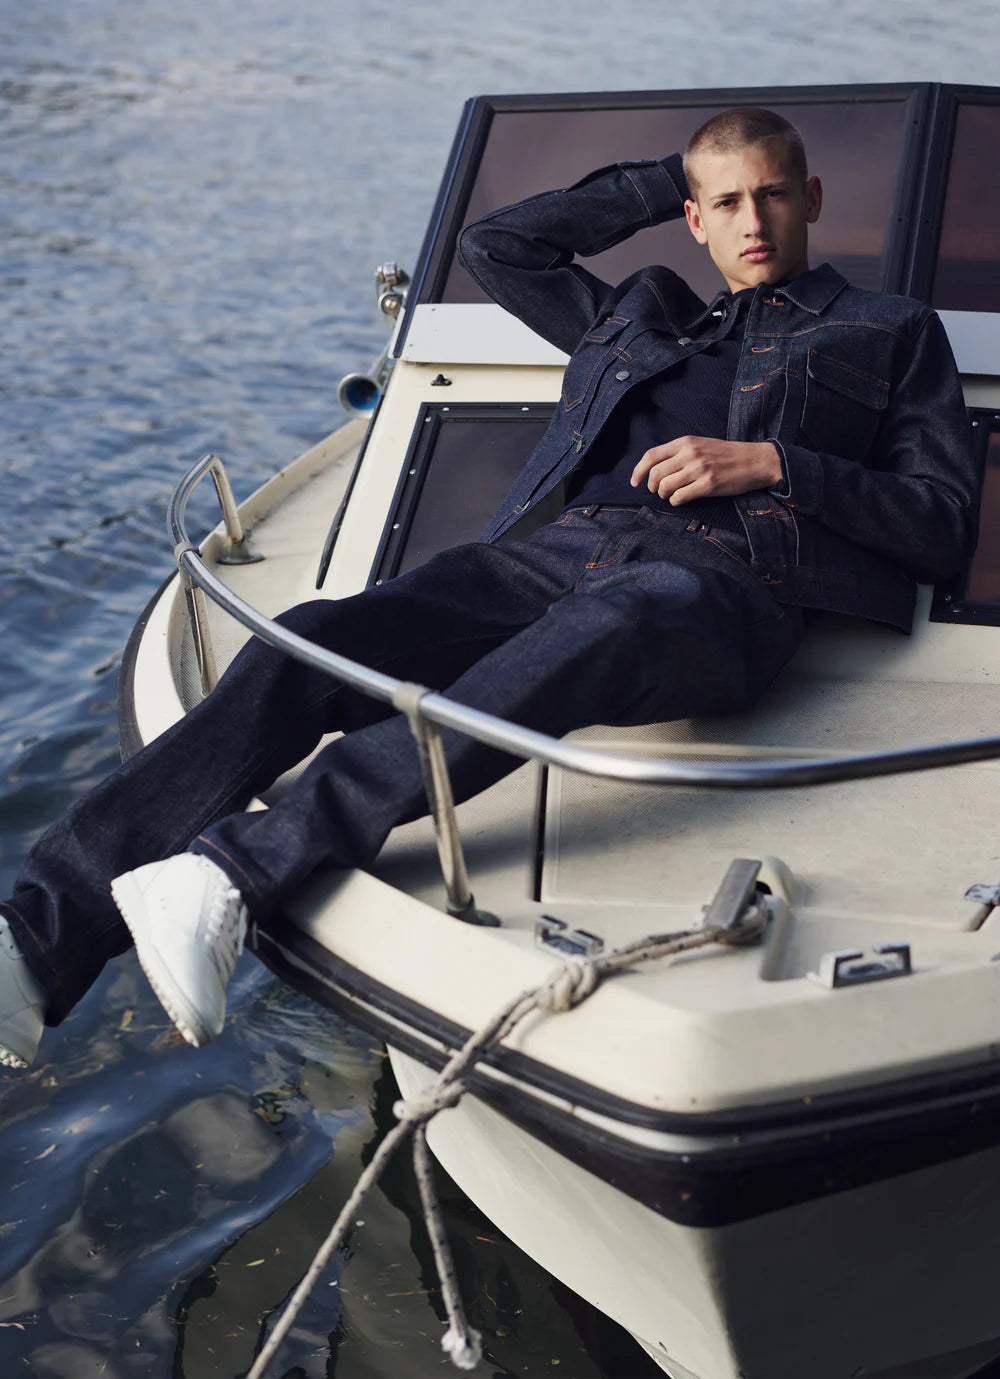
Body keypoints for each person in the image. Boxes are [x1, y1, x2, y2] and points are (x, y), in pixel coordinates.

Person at [0, 107, 978, 1069]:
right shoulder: (641, 311)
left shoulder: (887, 329)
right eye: (724, 202)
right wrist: (664, 175)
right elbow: (496, 246)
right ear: (693, 216)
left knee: (610, 622)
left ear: (812, 198)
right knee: (315, 637)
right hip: (555, 553)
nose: (752, 221)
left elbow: (939, 523)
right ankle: (35, 939)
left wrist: (773, 464)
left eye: (772, 195)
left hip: (720, 582)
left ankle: (232, 877)